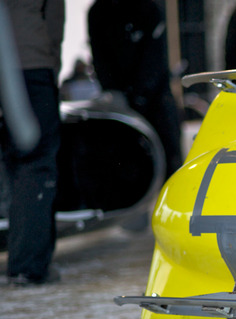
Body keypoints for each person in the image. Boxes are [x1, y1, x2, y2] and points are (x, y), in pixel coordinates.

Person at [1, 0, 65, 286]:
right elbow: (53, 18)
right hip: (28, 61)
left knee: (15, 164)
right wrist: (52, 63)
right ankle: (27, 265)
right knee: (35, 163)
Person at [88, 0, 183, 178]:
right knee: (125, 161)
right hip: (121, 98)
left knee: (169, 155)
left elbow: (154, 58)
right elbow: (100, 59)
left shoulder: (148, 8)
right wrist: (115, 92)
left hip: (154, 97)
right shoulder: (98, 12)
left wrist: (139, 94)